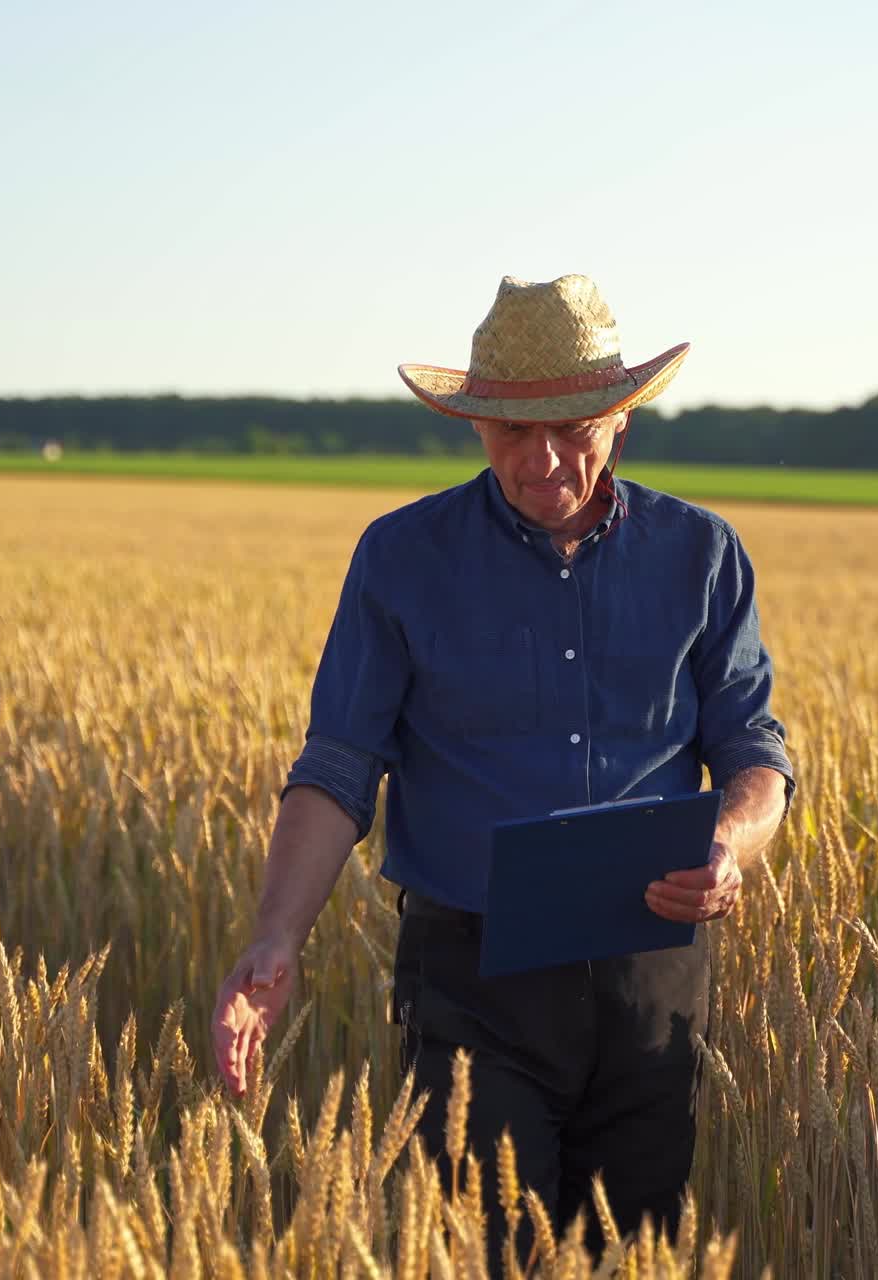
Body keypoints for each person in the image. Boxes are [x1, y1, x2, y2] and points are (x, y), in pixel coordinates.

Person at [211, 274, 793, 1260]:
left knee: (634, 1251)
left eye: (571, 425)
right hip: (471, 978)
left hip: (650, 971)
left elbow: (754, 753)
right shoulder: (401, 557)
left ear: (620, 415)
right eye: (511, 430)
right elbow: (339, 763)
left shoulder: (699, 555)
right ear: (471, 423)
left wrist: (726, 843)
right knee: (484, 1250)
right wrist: (275, 935)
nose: (542, 457)